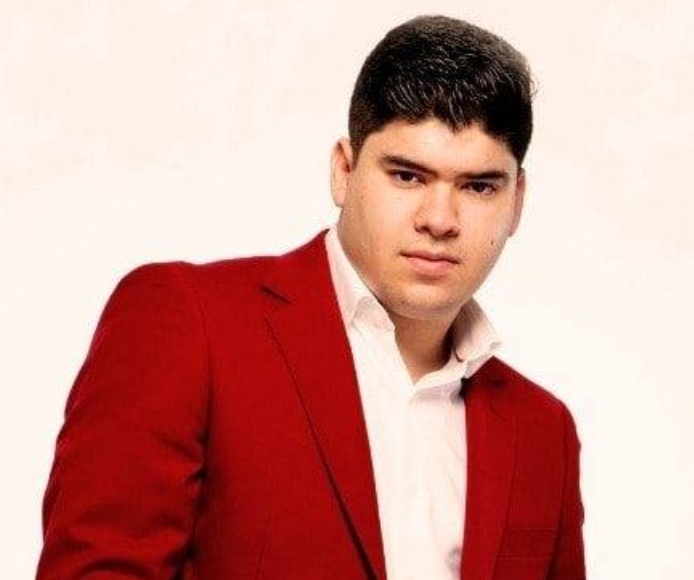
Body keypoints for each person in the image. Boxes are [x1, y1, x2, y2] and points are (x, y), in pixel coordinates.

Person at [36, 14, 585, 580]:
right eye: (407, 176)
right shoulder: (189, 323)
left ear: (516, 200)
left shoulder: (544, 433)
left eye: (478, 186)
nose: (440, 219)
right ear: (344, 171)